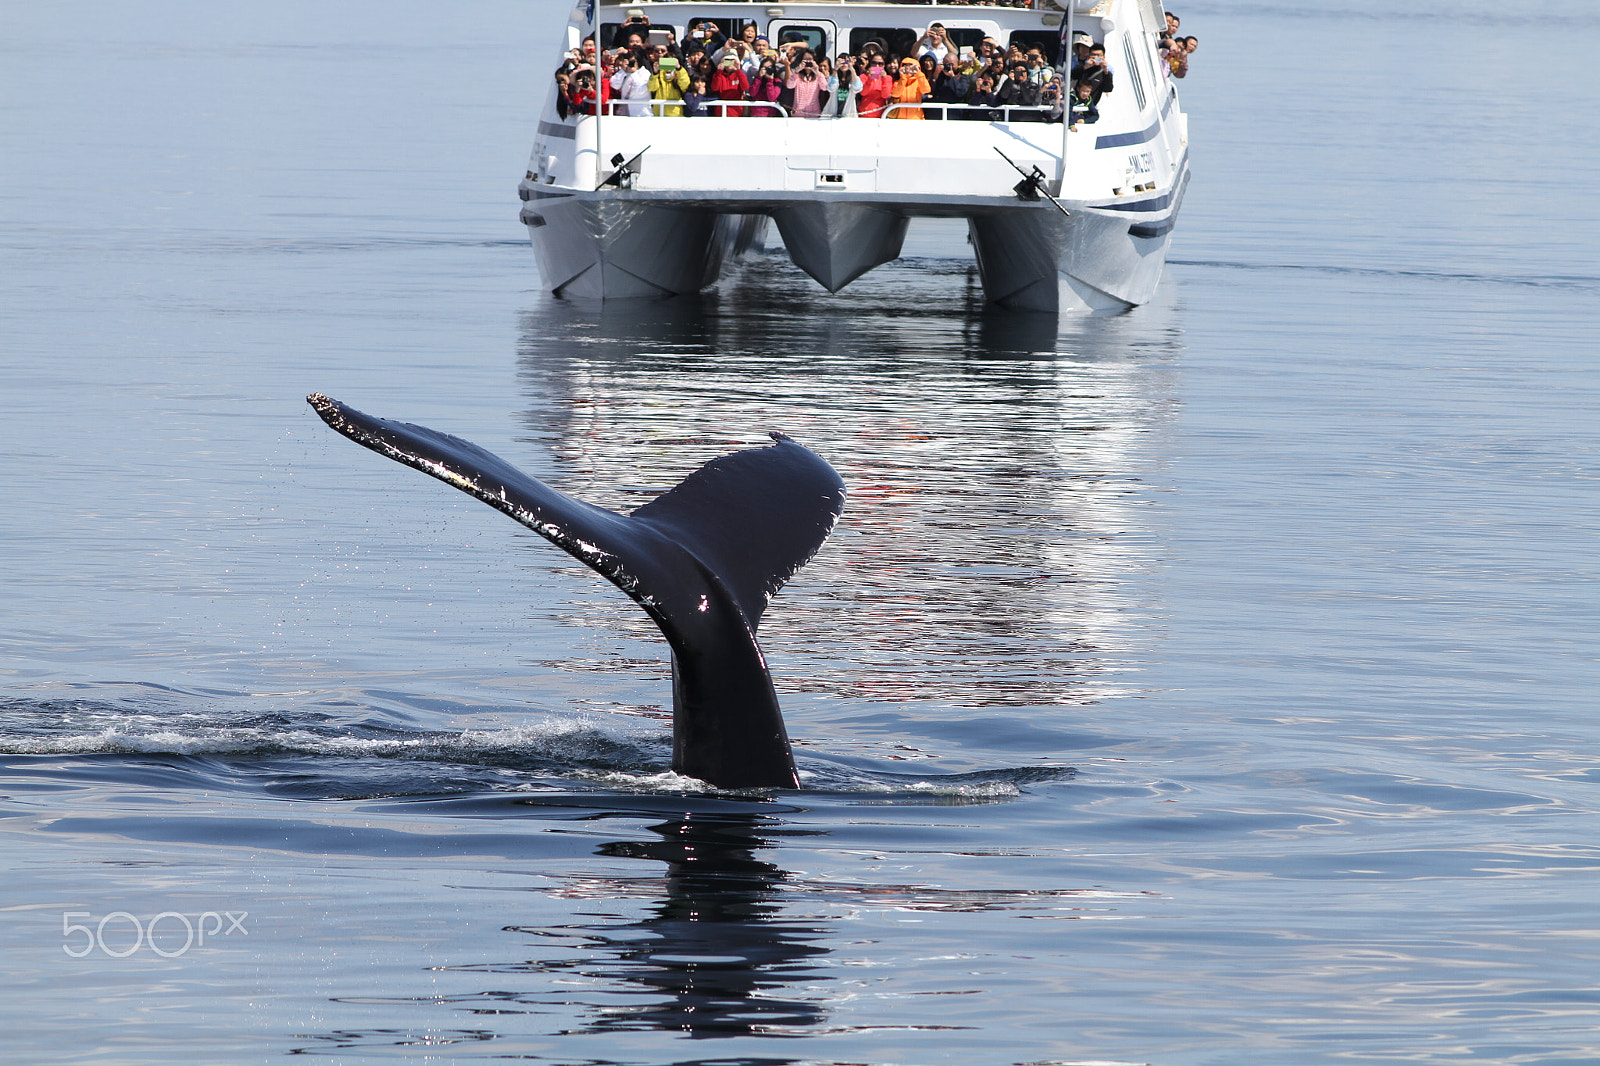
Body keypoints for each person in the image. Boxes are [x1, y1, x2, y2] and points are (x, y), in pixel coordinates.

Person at [783, 49, 825, 118]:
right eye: (805, 59)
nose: (808, 62)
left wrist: (817, 73)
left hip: (814, 114)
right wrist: (797, 71)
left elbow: (824, 87)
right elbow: (789, 85)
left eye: (810, 59)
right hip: (798, 114)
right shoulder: (797, 75)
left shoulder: (819, 76)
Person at [610, 49, 653, 116]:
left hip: (641, 112)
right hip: (625, 111)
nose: (631, 64)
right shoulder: (624, 73)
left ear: (638, 62)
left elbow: (641, 91)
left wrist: (634, 73)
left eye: (633, 61)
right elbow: (614, 85)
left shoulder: (645, 73)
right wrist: (623, 71)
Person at [709, 52, 749, 116]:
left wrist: (738, 70)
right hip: (721, 108)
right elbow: (715, 88)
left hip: (736, 108)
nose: (730, 64)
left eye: (732, 61)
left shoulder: (739, 74)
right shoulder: (719, 75)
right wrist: (719, 72)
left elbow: (745, 87)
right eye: (727, 61)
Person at [855, 53, 894, 118]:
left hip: (880, 114)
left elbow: (885, 95)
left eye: (880, 64)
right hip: (864, 113)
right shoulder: (864, 76)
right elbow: (863, 93)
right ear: (870, 64)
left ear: (884, 65)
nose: (877, 66)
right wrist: (870, 78)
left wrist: (884, 78)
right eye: (874, 63)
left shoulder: (888, 78)